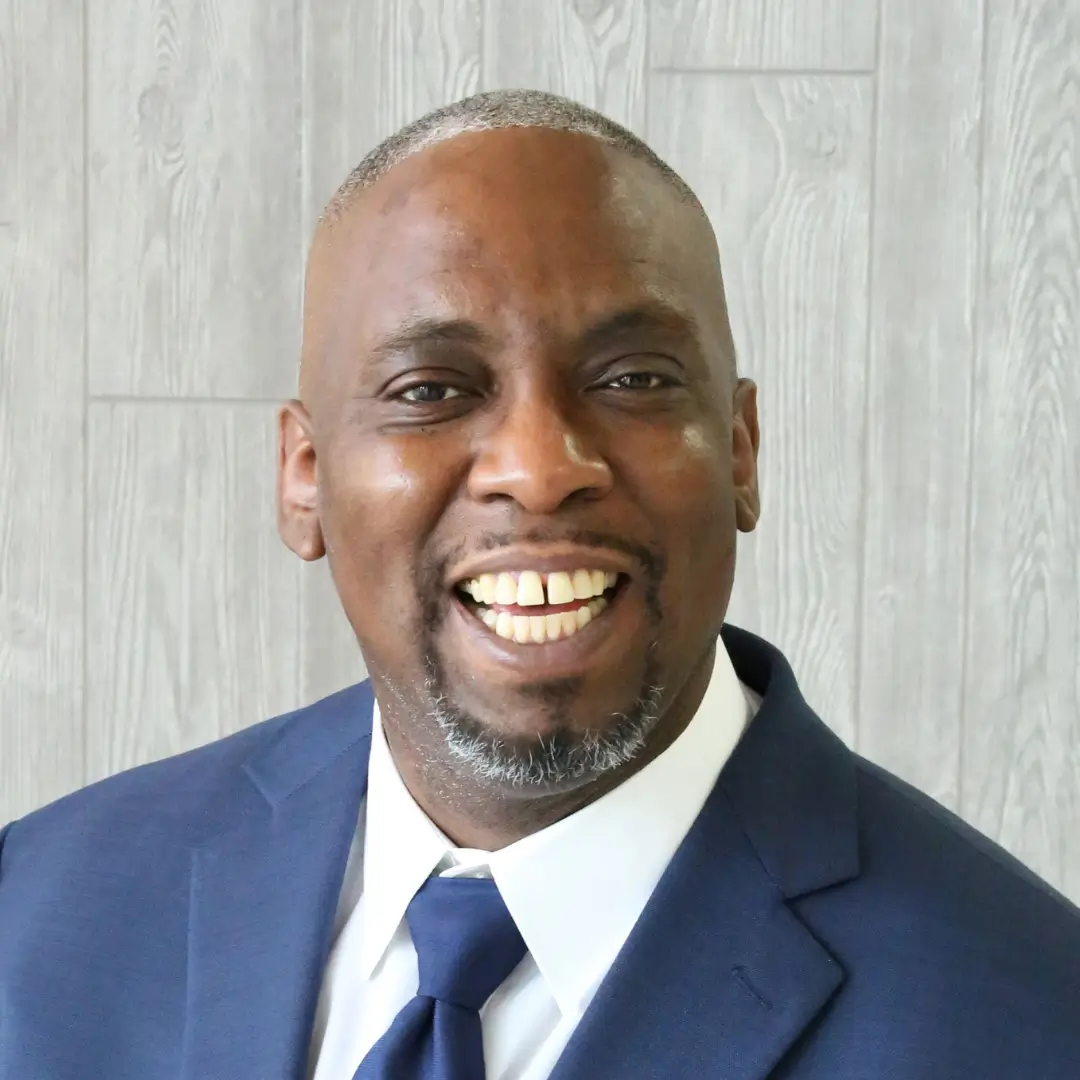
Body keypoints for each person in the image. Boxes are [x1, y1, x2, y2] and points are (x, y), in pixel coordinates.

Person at [1, 88, 1078, 1080]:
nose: (540, 464)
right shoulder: (40, 910)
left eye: (634, 380)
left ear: (741, 452)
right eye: (431, 388)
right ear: (306, 479)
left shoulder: (1025, 1017)